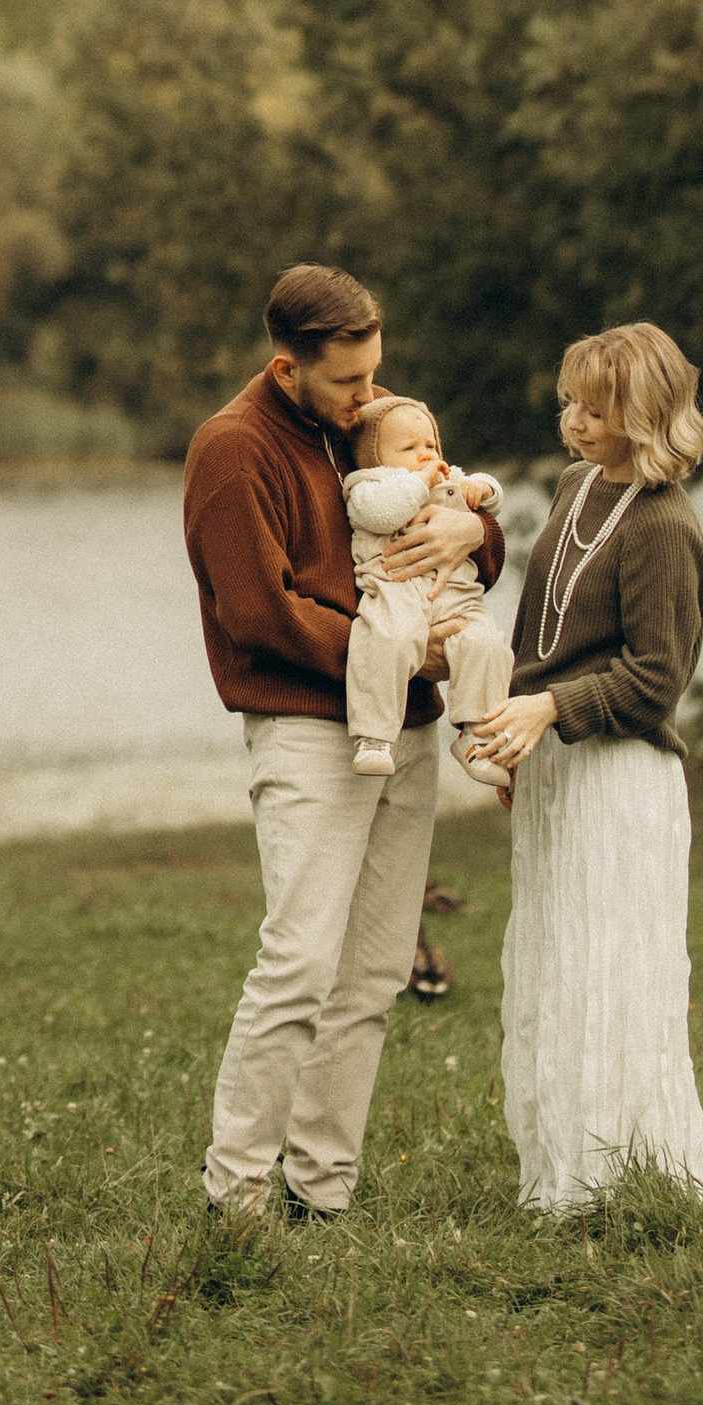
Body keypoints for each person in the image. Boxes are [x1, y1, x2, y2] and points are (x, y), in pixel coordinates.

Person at [182, 262, 503, 1222]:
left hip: (406, 729)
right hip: (307, 732)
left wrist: (471, 538)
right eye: (350, 381)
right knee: (299, 964)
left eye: (375, 373)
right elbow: (258, 613)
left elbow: (461, 520)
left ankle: (321, 1191)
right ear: (288, 369)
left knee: (373, 972)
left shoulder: (370, 422)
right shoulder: (233, 449)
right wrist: (398, 658)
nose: (372, 396)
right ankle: (235, 1192)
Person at [464, 321, 703, 1214]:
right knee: (554, 967)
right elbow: (539, 634)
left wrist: (549, 710)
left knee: (612, 971)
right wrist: (510, 734)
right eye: (569, 402)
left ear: (644, 416)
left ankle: (629, 1181)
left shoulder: (664, 526)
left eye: (596, 410)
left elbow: (656, 679)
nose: (574, 421)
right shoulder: (576, 486)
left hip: (620, 776)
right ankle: (559, 1177)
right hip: (556, 764)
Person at [342, 395, 510, 790]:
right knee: (386, 639)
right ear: (374, 457)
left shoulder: (447, 477)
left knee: (487, 644)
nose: (425, 454)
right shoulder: (368, 486)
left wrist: (481, 488)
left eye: (430, 444)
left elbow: (495, 497)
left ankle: (477, 735)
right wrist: (420, 483)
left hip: (455, 594)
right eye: (409, 448)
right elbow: (383, 514)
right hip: (395, 588)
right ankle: (374, 736)